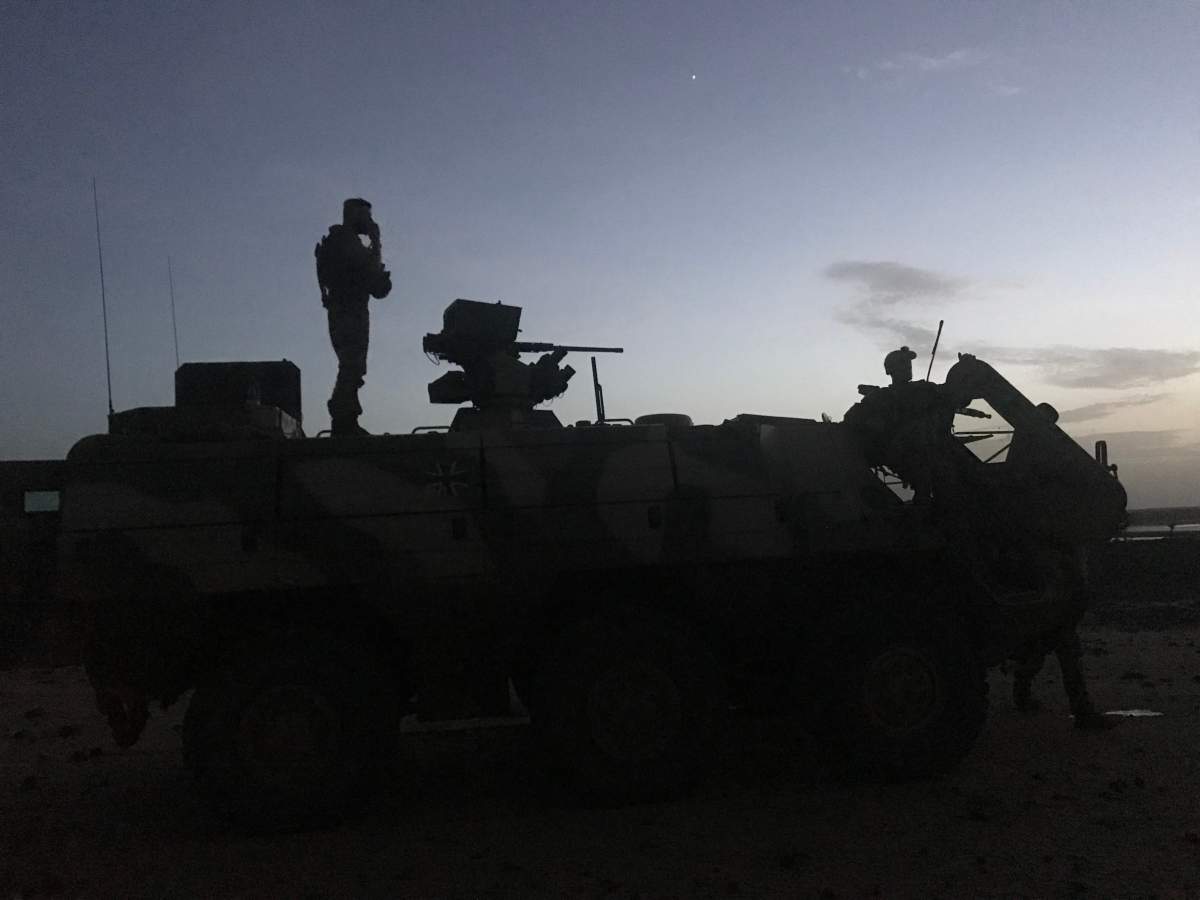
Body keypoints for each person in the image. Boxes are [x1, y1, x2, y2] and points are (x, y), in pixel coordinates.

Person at [315, 198, 392, 436]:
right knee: (352, 365)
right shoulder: (345, 242)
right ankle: (343, 417)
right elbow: (375, 282)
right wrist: (377, 242)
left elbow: (376, 286)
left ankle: (346, 416)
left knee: (353, 365)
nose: (370, 221)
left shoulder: (342, 242)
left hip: (348, 310)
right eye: (366, 216)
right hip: (348, 311)